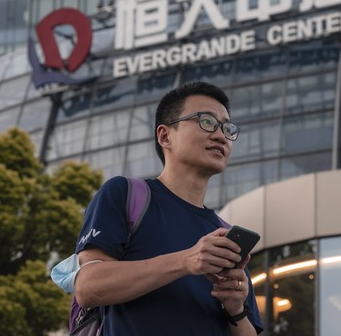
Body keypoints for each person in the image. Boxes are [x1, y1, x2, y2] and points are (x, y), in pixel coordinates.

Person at [73, 81, 263, 335]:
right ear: (165, 136)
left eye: (227, 128)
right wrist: (186, 261)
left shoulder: (224, 234)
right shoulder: (127, 195)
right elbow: (88, 288)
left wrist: (236, 310)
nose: (220, 135)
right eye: (206, 122)